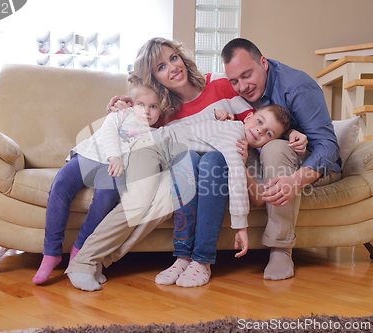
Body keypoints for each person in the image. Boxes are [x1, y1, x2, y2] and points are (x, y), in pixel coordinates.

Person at [65, 37, 307, 291]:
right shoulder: (163, 108)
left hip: (209, 170)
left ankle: (102, 260)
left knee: (181, 184)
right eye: (160, 67)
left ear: (182, 58)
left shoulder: (220, 84)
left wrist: (290, 133)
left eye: (173, 58)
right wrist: (127, 103)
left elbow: (261, 118)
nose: (172, 68)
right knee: (148, 197)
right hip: (173, 164)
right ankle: (87, 262)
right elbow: (144, 125)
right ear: (154, 78)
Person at [221, 38, 341, 281]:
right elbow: (191, 91)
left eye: (247, 75)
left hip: (306, 165)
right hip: (257, 165)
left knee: (274, 148)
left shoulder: (297, 87)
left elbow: (328, 146)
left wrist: (296, 180)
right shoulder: (233, 88)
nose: (242, 87)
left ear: (263, 63)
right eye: (234, 81)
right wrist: (137, 101)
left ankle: (281, 250)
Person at [32, 75, 167, 285]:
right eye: (141, 105)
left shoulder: (155, 133)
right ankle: (51, 252)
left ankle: (80, 249)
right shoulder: (122, 113)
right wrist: (114, 156)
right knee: (60, 186)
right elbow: (109, 132)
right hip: (90, 155)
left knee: (106, 197)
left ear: (162, 109)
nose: (147, 112)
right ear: (132, 103)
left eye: (154, 107)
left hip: (112, 169)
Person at [154, 103, 302, 287]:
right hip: (178, 159)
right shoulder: (230, 129)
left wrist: (243, 165)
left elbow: (258, 198)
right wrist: (241, 227)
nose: (259, 130)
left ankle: (201, 260)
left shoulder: (250, 155)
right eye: (259, 121)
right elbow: (187, 125)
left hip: (212, 176)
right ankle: (182, 258)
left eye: (268, 133)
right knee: (188, 157)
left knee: (213, 160)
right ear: (247, 118)